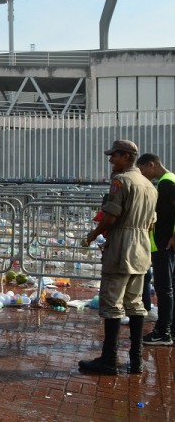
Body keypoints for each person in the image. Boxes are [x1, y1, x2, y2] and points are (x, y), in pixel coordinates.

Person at [79, 140, 157, 375]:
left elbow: (111, 216)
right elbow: (151, 223)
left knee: (112, 303)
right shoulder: (149, 185)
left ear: (126, 157)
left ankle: (109, 359)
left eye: (114, 156)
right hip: (142, 248)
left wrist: (93, 235)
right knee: (136, 304)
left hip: (122, 246)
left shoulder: (121, 181)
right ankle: (137, 360)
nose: (111, 160)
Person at [136, 153, 175, 346]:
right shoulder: (168, 181)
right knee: (168, 287)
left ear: (151, 165)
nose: (142, 174)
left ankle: (163, 331)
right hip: (163, 242)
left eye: (143, 170)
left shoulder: (167, 183)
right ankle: (170, 329)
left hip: (163, 243)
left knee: (164, 288)